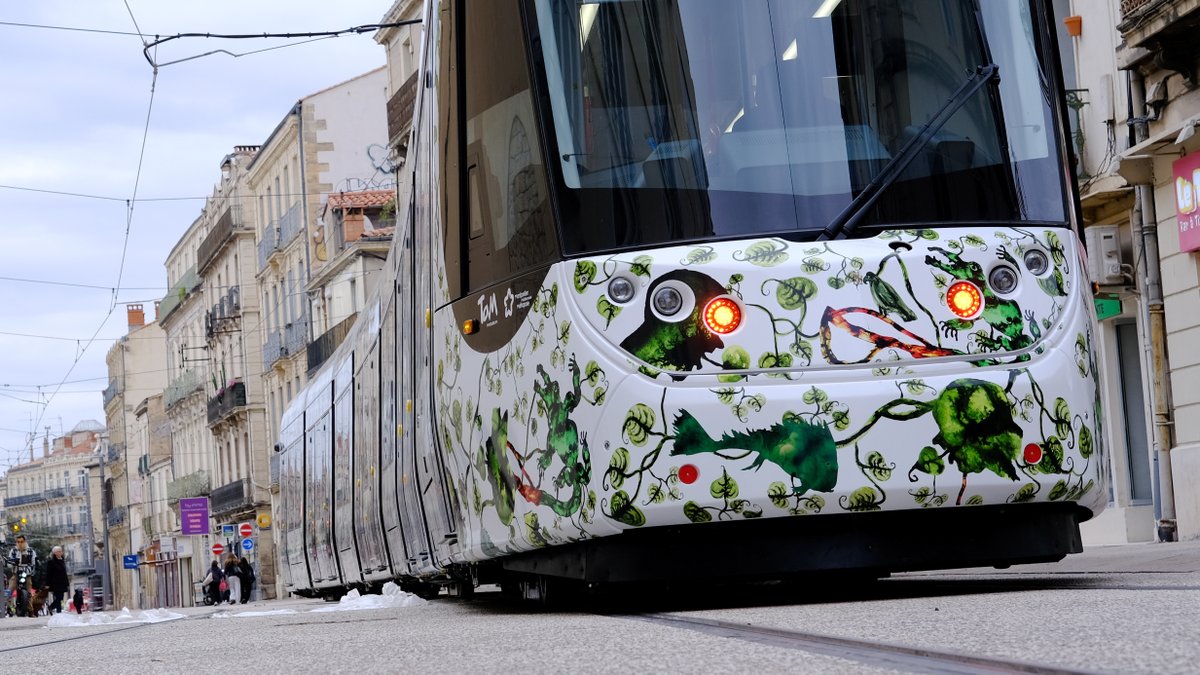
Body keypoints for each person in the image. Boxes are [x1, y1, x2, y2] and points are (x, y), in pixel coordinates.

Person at [45, 546, 69, 614]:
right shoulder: (51, 562)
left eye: (61, 551)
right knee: (58, 598)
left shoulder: (62, 560)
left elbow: (64, 573)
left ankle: (51, 607)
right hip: (55, 583)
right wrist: (47, 584)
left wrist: (67, 583)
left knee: (60, 598)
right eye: (59, 551)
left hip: (62, 583)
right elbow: (48, 574)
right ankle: (59, 612)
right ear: (55, 553)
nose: (61, 552)